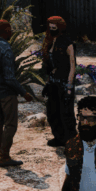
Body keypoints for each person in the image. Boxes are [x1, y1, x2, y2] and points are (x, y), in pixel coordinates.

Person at [0, 19, 33, 167]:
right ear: (5, 31)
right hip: (6, 92)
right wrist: (24, 93)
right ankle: (4, 156)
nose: (11, 31)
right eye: (10, 29)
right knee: (11, 125)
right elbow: (9, 77)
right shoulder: (5, 48)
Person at [40, 15, 77, 147]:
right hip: (53, 83)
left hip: (64, 82)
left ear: (60, 28)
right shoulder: (49, 41)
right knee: (52, 111)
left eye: (54, 28)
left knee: (66, 113)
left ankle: (71, 140)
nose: (51, 30)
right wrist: (47, 82)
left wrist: (69, 85)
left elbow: (72, 66)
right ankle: (59, 137)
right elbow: (48, 66)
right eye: (50, 27)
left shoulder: (67, 43)